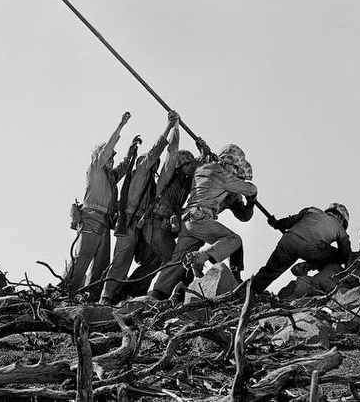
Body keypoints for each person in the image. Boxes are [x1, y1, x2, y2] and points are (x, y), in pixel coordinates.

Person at [149, 142, 257, 300]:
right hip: (200, 218)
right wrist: (252, 197)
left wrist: (203, 153)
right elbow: (250, 189)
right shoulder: (221, 174)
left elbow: (244, 215)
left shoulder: (203, 168)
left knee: (176, 261)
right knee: (234, 239)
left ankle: (157, 293)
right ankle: (200, 258)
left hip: (187, 220)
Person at [99, 111, 179, 304]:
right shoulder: (141, 171)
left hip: (142, 225)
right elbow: (155, 152)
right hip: (129, 222)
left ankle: (132, 290)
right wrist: (169, 126)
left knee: (155, 258)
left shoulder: (151, 182)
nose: (153, 164)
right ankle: (107, 296)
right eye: (150, 161)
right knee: (121, 260)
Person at [63, 112, 132, 296]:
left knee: (101, 264)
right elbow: (107, 149)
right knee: (81, 260)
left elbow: (123, 168)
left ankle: (90, 296)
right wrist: (121, 126)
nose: (111, 159)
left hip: (104, 223)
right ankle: (65, 293)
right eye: (109, 157)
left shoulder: (110, 176)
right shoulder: (95, 168)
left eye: (112, 158)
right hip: (91, 220)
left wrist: (130, 154)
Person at [250, 203, 351, 296]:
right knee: (338, 257)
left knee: (271, 270)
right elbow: (346, 253)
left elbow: (289, 221)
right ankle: (306, 266)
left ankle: (249, 292)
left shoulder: (312, 210)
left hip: (289, 239)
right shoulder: (340, 229)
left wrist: (276, 223)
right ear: (341, 218)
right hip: (312, 248)